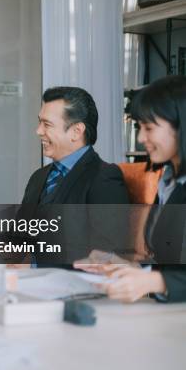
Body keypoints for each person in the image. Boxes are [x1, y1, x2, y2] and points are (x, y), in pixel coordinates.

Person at [76, 76, 186, 303]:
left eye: (149, 128)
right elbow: (170, 263)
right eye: (139, 127)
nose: (140, 138)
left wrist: (155, 282)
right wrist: (125, 266)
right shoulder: (169, 183)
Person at [15, 87, 130, 263]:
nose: (38, 131)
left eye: (47, 124)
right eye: (40, 122)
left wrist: (34, 268)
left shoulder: (104, 178)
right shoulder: (38, 177)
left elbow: (107, 257)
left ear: (76, 131)